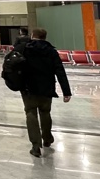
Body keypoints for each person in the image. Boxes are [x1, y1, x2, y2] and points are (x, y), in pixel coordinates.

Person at [20, 28, 72, 158]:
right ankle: (47, 138)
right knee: (45, 112)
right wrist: (66, 91)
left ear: (32, 36)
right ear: (45, 37)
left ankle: (35, 146)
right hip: (47, 88)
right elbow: (60, 71)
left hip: (28, 88)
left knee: (31, 113)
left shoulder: (25, 49)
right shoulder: (51, 51)